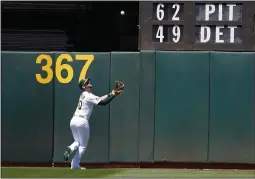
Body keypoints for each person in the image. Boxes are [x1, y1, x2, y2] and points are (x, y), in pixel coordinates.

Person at [63, 77, 123, 169]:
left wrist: (111, 93)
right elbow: (103, 103)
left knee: (77, 142)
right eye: (87, 82)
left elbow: (99, 98)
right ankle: (75, 164)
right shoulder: (88, 95)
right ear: (84, 86)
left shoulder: (84, 94)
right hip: (82, 121)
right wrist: (114, 95)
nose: (89, 82)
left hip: (74, 120)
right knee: (83, 145)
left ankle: (70, 148)